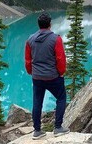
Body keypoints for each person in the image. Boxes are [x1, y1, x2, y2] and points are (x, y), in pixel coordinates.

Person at [25, 12, 70, 140]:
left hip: (37, 77)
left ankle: (37, 130)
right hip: (53, 77)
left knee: (37, 101)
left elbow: (28, 60)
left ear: (39, 25)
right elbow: (60, 59)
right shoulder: (56, 39)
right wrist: (61, 73)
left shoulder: (30, 39)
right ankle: (58, 128)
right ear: (50, 24)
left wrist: (31, 72)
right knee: (61, 98)